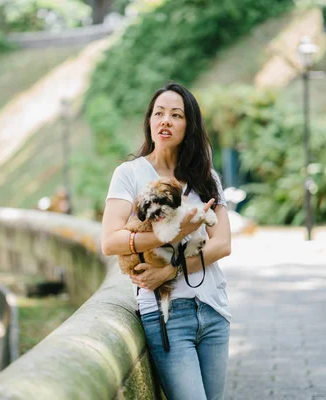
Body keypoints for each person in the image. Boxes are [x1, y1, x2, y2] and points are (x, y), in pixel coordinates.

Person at [101, 81, 232, 400]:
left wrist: (172, 269)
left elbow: (223, 243)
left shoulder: (206, 176)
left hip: (213, 309)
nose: (166, 121)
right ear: (149, 121)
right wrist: (177, 232)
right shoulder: (129, 174)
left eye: (176, 115)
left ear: (189, 125)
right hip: (166, 315)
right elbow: (110, 241)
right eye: (159, 113)